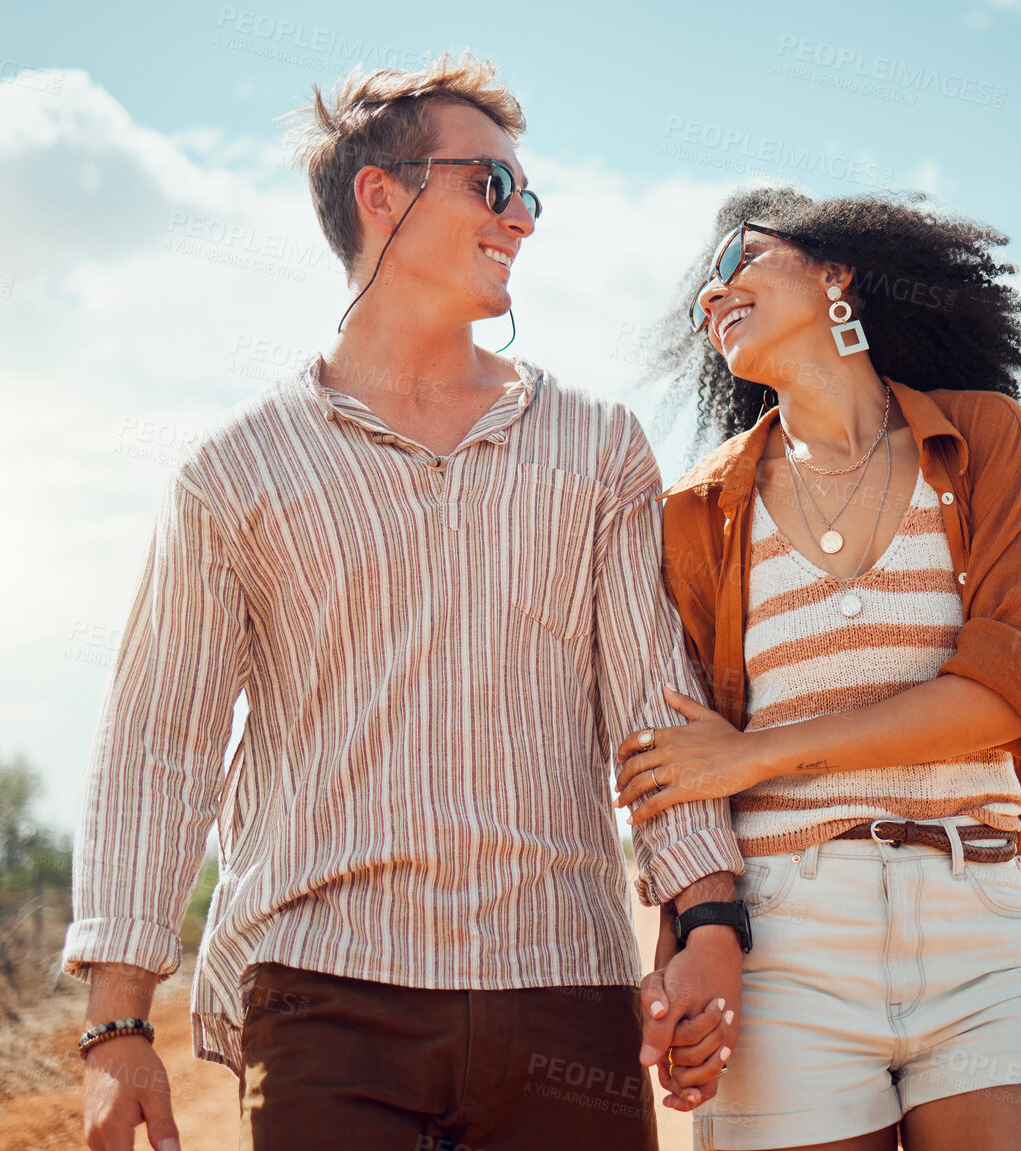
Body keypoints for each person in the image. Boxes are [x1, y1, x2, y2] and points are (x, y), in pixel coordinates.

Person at [63, 53, 743, 1151]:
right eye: (493, 185)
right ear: (382, 196)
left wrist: (706, 912)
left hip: (563, 986)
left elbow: (653, 708)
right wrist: (118, 1022)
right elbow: (160, 737)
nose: (521, 218)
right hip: (324, 1001)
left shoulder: (600, 446)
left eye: (528, 194)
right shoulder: (235, 466)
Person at [612, 186, 1021, 1150]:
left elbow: (1003, 697)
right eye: (700, 295)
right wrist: (683, 950)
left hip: (979, 914)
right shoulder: (696, 513)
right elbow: (673, 756)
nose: (712, 297)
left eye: (735, 263)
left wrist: (754, 755)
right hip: (787, 934)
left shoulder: (986, 441)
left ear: (835, 270)